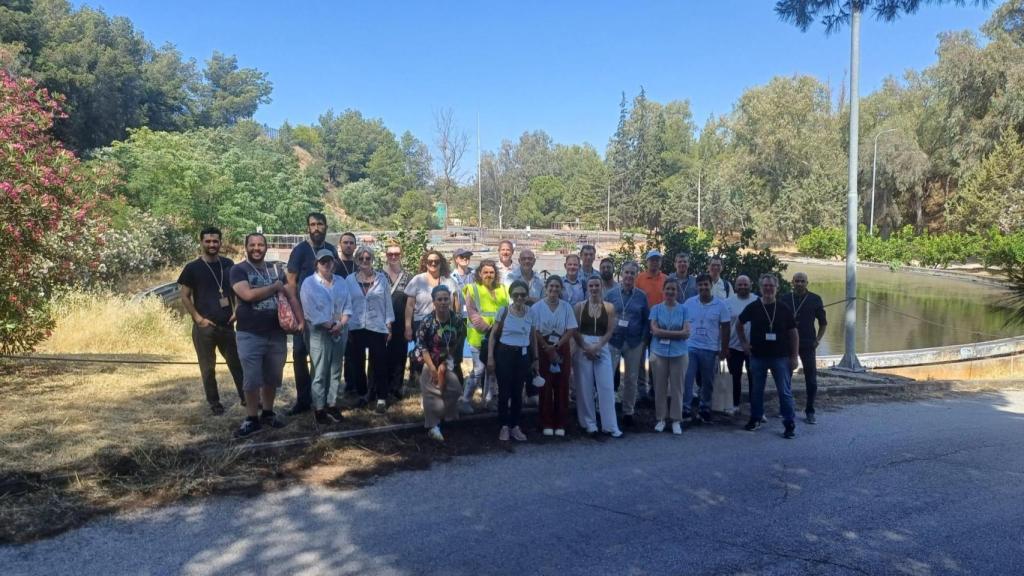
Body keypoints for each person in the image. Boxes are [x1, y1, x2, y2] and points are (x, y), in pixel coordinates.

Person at [230, 233, 294, 438]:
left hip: (276, 333)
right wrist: (274, 287)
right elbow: (247, 295)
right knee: (252, 378)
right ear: (246, 247)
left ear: (266, 247)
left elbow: (289, 294)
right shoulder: (238, 270)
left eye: (260, 245)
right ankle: (251, 418)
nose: (257, 248)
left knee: (272, 377)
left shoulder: (275, 269)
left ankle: (267, 412)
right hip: (250, 333)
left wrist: (299, 320)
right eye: (252, 245)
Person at [177, 226, 245, 415]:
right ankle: (214, 403)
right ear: (201, 243)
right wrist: (198, 319)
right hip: (205, 327)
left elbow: (237, 290)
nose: (212, 244)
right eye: (208, 241)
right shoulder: (192, 268)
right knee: (208, 369)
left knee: (237, 363)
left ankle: (246, 397)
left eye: (215, 241)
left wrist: (237, 310)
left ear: (220, 242)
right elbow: (184, 296)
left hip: (227, 325)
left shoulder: (228, 264)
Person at [285, 212, 335, 416]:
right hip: (303, 315)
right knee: (299, 355)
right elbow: (290, 283)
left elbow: (336, 281)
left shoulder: (331, 250)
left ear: (326, 226)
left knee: (324, 358)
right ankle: (303, 399)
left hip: (326, 317)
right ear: (308, 228)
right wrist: (297, 313)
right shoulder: (299, 251)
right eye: (312, 224)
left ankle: (322, 400)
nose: (316, 228)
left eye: (320, 224)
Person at [737, 273, 798, 439]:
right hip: (757, 356)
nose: (768, 288)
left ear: (776, 288)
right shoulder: (753, 306)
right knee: (756, 390)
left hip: (781, 357)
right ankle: (755, 418)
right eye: (765, 286)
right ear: (760, 288)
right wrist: (743, 343)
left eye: (771, 286)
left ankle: (789, 422)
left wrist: (794, 357)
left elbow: (793, 334)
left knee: (784, 391)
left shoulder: (784, 308)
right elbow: (739, 324)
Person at [300, 249, 352, 426]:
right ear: (317, 264)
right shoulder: (309, 284)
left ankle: (332, 404)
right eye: (323, 262)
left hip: (340, 330)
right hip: (319, 333)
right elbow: (310, 311)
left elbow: (348, 306)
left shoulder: (341, 282)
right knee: (320, 371)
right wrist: (330, 325)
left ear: (334, 263)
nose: (327, 264)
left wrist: (340, 325)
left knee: (336, 370)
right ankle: (319, 408)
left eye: (329, 261)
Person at [346, 246, 395, 414]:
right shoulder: (349, 280)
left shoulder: (382, 279)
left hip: (377, 327)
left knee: (380, 363)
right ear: (356, 260)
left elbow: (388, 303)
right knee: (357, 364)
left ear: (372, 260)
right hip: (356, 326)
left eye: (368, 258)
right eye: (361, 258)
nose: (365, 261)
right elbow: (346, 304)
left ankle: (381, 397)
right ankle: (363, 394)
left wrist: (389, 324)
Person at [487, 280, 538, 442]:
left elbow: (532, 337)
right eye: (516, 294)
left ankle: (515, 426)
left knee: (518, 392)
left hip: (522, 356)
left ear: (526, 296)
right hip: (504, 355)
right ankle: (503, 426)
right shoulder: (503, 311)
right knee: (504, 392)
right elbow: (493, 336)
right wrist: (490, 357)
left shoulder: (530, 312)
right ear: (511, 295)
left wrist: (535, 358)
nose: (519, 297)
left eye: (523, 294)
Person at [415, 285, 466, 442]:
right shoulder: (427, 322)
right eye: (440, 299)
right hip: (428, 360)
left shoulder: (456, 320)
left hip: (446, 361)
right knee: (431, 394)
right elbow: (422, 347)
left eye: (446, 299)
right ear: (434, 301)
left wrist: (445, 363)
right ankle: (433, 426)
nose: (443, 302)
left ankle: (444, 415)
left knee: (455, 389)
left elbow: (456, 342)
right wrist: (432, 369)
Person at [574, 276, 622, 438]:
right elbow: (575, 330)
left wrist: (598, 346)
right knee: (585, 387)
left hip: (602, 346)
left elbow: (610, 330)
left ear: (601, 287)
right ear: (587, 288)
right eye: (591, 285)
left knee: (606, 386)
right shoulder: (579, 307)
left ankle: (610, 425)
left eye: (597, 285)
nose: (594, 288)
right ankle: (589, 424)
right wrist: (586, 347)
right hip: (583, 347)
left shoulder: (609, 307)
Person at [405, 250, 461, 387]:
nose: (433, 263)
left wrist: (455, 320)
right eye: (430, 261)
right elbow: (409, 305)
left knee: (442, 354)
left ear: (441, 263)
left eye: (436, 261)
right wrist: (407, 326)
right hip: (421, 322)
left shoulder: (449, 281)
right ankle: (421, 381)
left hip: (444, 323)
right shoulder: (417, 280)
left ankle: (444, 380)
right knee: (423, 354)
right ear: (425, 263)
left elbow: (455, 303)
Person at [532, 276, 578, 436]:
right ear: (546, 288)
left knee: (561, 386)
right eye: (551, 286)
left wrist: (557, 346)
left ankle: (560, 423)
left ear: (561, 289)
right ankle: (546, 423)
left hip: (561, 346)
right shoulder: (537, 307)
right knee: (545, 386)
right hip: (543, 348)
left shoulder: (566, 307)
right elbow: (534, 330)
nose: (554, 289)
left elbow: (571, 329)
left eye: (557, 287)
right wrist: (546, 347)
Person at [682, 274, 732, 423]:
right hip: (691, 347)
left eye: (706, 284)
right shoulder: (689, 303)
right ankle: (686, 407)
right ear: (696, 287)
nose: (703, 287)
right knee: (688, 379)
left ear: (711, 285)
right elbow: (682, 322)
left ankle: (705, 407)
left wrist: (724, 348)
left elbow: (726, 327)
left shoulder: (720, 305)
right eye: (700, 285)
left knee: (707, 381)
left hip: (710, 349)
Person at [605, 261, 649, 427]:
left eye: (633, 273)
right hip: (614, 341)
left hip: (634, 343)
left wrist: (643, 339)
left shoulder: (642, 296)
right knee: (607, 377)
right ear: (621, 273)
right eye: (627, 272)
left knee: (631, 378)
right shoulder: (611, 294)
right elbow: (604, 316)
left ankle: (628, 411)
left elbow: (646, 319)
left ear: (636, 275)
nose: (629, 276)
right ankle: (606, 410)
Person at [462, 259, 509, 413]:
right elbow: (473, 314)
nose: (489, 275)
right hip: (479, 337)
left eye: (492, 272)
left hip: (498, 337)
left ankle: (489, 400)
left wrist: (499, 331)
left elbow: (507, 311)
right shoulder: (473, 289)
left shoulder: (502, 289)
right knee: (479, 369)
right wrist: (490, 330)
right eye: (486, 272)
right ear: (480, 274)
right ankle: (465, 400)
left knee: (493, 369)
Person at [648, 278, 691, 434]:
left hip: (679, 354)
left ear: (677, 292)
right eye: (668, 289)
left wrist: (664, 333)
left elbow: (686, 333)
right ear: (663, 290)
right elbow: (654, 330)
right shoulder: (656, 309)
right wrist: (677, 334)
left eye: (673, 289)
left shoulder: (684, 309)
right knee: (659, 387)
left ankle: (676, 420)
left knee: (677, 388)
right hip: (659, 353)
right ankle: (660, 419)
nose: (670, 292)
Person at [787, 272, 827, 425]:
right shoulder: (785, 298)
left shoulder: (815, 299)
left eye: (802, 281)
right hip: (788, 343)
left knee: (811, 379)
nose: (799, 284)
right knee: (785, 377)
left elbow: (823, 323)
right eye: (797, 281)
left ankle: (810, 410)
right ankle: (786, 407)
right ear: (792, 282)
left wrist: (817, 340)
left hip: (808, 344)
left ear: (807, 283)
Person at [635, 250, 667, 399]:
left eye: (657, 260)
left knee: (657, 359)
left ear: (660, 262)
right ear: (646, 262)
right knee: (640, 359)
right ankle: (642, 391)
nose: (654, 263)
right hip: (642, 326)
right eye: (652, 260)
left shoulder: (666, 279)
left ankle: (655, 389)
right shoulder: (639, 279)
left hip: (660, 327)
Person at [383, 241, 411, 401]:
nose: (393, 257)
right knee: (380, 356)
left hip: (401, 323)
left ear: (401, 255)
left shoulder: (408, 277)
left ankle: (396, 387)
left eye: (396, 254)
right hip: (381, 324)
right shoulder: (379, 275)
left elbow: (410, 303)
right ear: (386, 256)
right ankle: (379, 388)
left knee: (400, 355)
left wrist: (408, 326)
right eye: (390, 254)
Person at [725, 275, 757, 416]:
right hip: (733, 346)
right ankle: (734, 404)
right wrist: (723, 346)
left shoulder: (757, 300)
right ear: (736, 286)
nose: (743, 287)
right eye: (740, 284)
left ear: (751, 284)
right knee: (734, 376)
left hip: (753, 346)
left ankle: (755, 405)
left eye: (746, 284)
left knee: (754, 377)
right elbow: (724, 326)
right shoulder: (728, 302)